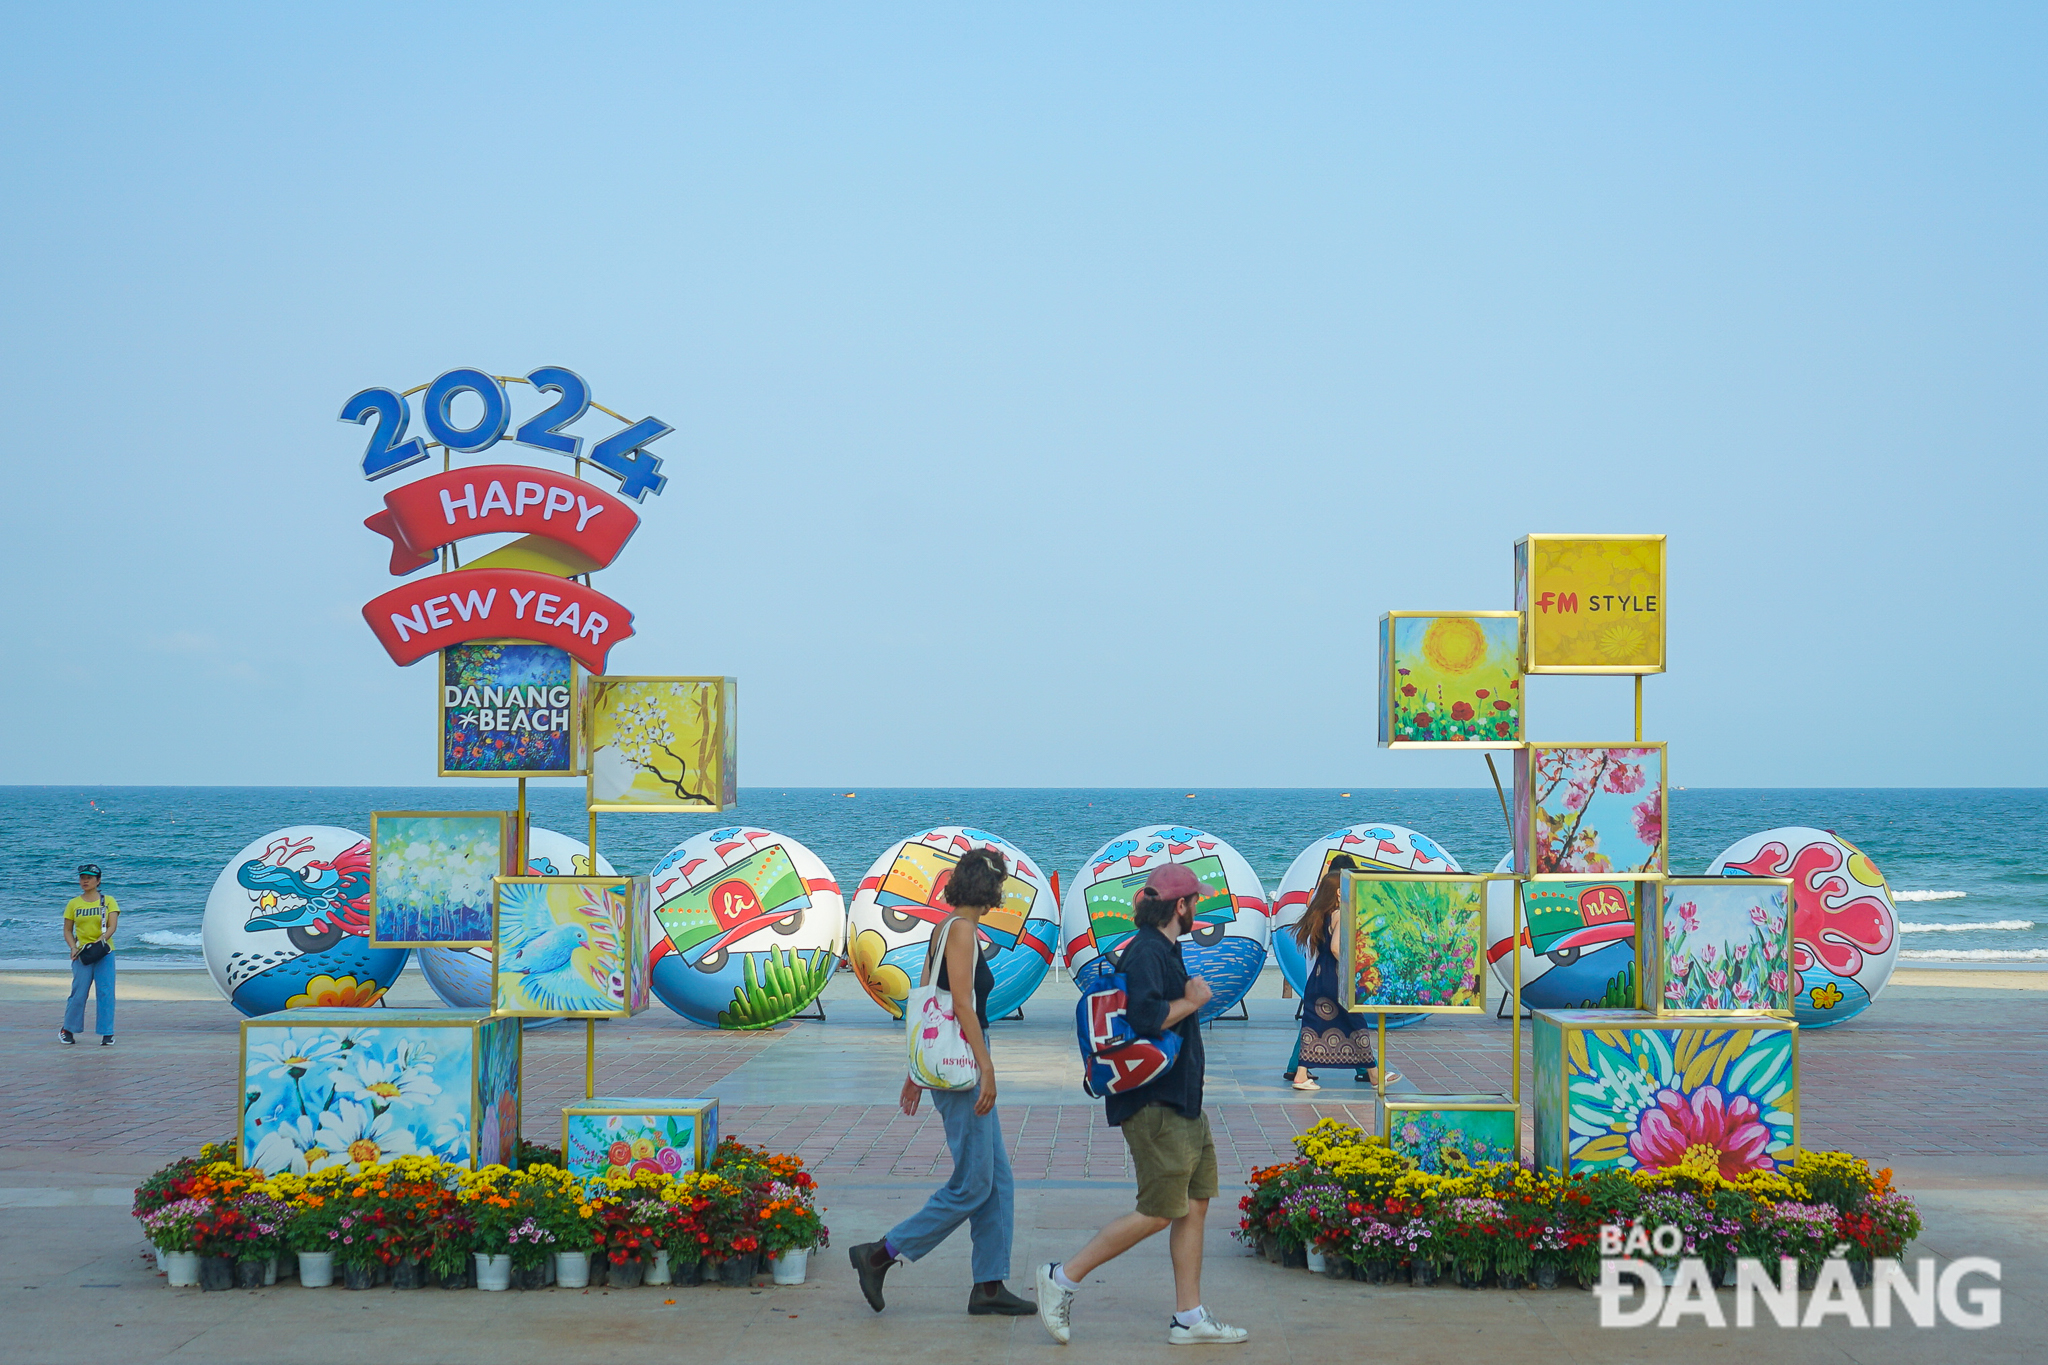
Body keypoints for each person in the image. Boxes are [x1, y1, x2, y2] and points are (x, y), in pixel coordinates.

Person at [1035, 863, 1248, 1347]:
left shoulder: (1161, 948)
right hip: (1156, 1105)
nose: (1198, 909)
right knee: (1158, 1211)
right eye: (1195, 901)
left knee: (1194, 1204)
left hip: (1180, 1100)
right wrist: (1193, 1001)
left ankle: (1189, 1318)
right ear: (1180, 906)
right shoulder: (1149, 953)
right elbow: (1147, 1017)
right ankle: (1062, 1277)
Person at [849, 847, 1035, 1317]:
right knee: (973, 1185)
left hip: (953, 1059)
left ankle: (989, 1286)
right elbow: (960, 1007)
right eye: (1002, 887)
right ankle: (879, 1254)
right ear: (990, 889)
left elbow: (929, 1002)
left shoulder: (944, 927)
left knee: (999, 1181)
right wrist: (986, 1067)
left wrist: (917, 1072)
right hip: (966, 1066)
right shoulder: (964, 931)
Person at [1287, 860, 1395, 1091]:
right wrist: (1353, 968)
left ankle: (1301, 1075)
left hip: (1318, 977)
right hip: (1336, 978)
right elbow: (1337, 948)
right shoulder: (1341, 914)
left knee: (1313, 1025)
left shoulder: (1321, 915)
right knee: (1356, 1023)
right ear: (1339, 891)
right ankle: (1375, 1076)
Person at [61, 863, 118, 1045]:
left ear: (98, 881)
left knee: (105, 992)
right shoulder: (73, 903)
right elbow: (68, 930)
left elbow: (112, 926)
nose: (85, 881)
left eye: (89, 878)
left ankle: (107, 1033)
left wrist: (101, 939)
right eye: (82, 878)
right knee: (78, 992)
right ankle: (68, 1029)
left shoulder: (108, 901)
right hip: (82, 954)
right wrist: (72, 947)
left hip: (104, 953)